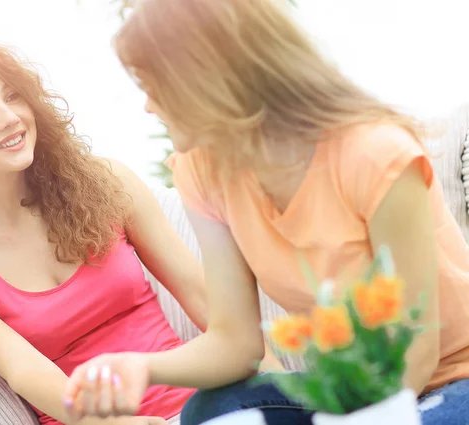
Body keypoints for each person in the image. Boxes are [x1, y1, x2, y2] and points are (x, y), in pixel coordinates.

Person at [62, 1, 469, 424]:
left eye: (154, 86)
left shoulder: (375, 154)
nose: (148, 106)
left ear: (208, 78)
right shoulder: (203, 171)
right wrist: (141, 367)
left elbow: (415, 354)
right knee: (213, 407)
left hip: (451, 378)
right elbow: (235, 344)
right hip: (350, 397)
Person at [0, 38, 208, 425]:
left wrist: (273, 385)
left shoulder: (105, 182)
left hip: (202, 406)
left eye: (13, 96)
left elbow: (202, 296)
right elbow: (25, 371)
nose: (9, 117)